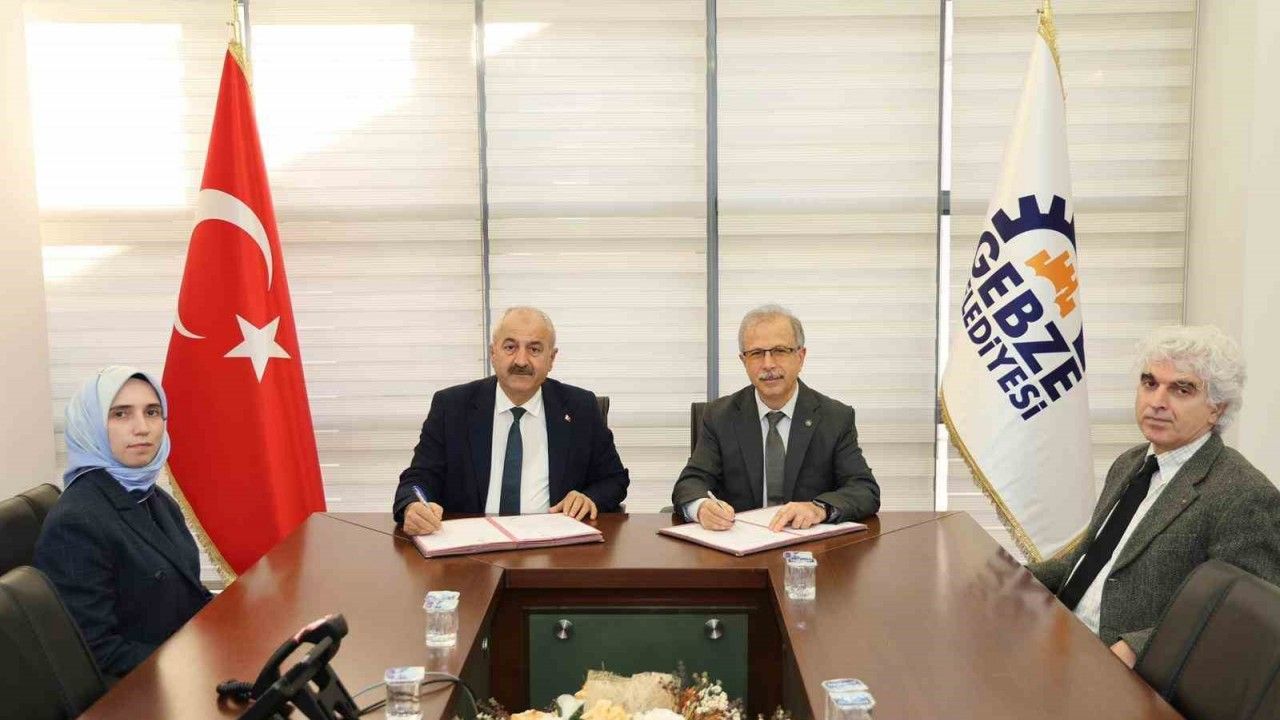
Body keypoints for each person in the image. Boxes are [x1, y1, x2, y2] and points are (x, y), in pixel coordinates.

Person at [1028, 325, 1280, 667]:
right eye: (1150, 383)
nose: (1157, 402)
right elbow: (1092, 560)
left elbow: (1243, 621)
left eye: (1181, 389)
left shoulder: (1244, 495)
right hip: (1059, 636)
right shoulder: (1130, 462)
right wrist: (1012, 578)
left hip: (1126, 672)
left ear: (1217, 409)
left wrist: (1136, 648)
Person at [34, 366, 212, 679]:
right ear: (90, 425)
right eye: (120, 414)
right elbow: (96, 652)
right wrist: (198, 662)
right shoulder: (76, 523)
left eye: (152, 412)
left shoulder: (153, 497)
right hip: (138, 689)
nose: (142, 428)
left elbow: (187, 594)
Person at [393, 307, 629, 534]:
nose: (521, 361)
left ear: (551, 358)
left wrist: (588, 498)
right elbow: (418, 479)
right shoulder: (452, 406)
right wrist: (413, 505)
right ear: (493, 353)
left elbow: (614, 479)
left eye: (534, 349)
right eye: (510, 347)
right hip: (472, 545)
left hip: (554, 544)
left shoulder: (580, 407)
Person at [671, 304, 879, 531]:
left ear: (800, 356)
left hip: (808, 544)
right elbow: (690, 483)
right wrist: (701, 507)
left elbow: (864, 489)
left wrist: (819, 509)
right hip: (741, 544)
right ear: (743, 361)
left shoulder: (835, 418)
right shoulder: (719, 416)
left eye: (780, 351)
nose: (768, 364)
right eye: (756, 353)